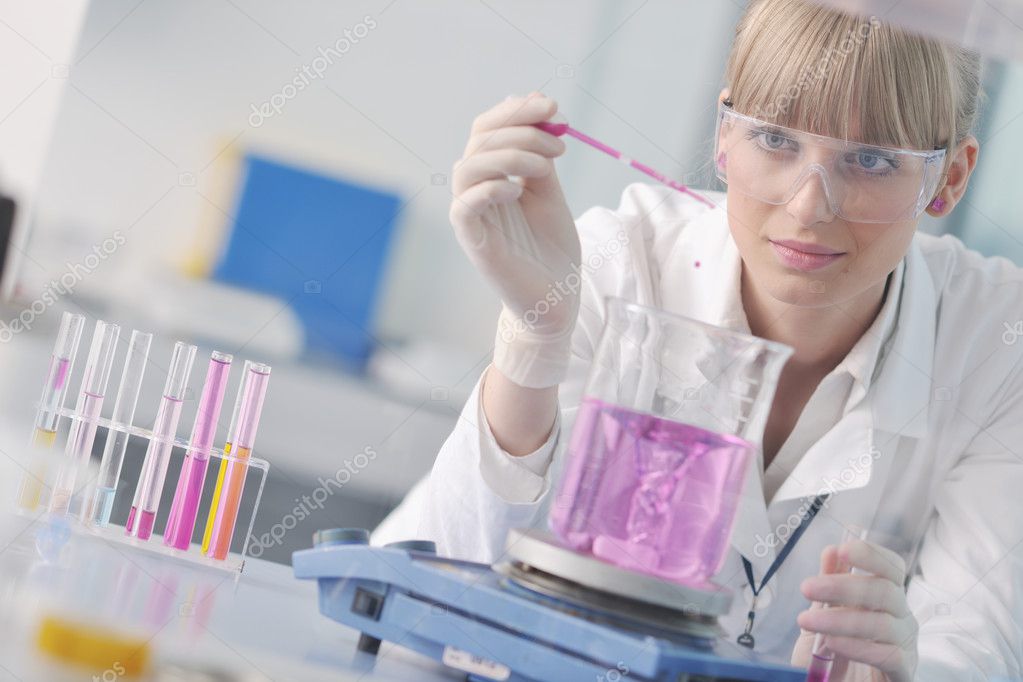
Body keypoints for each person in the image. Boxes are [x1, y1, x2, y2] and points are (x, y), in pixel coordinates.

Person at [374, 0, 1023, 679]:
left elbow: (972, 644)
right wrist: (535, 333)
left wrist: (900, 671)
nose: (807, 207)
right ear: (723, 135)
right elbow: (448, 595)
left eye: (869, 159)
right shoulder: (613, 259)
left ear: (947, 178)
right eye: (774, 140)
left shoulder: (996, 341)